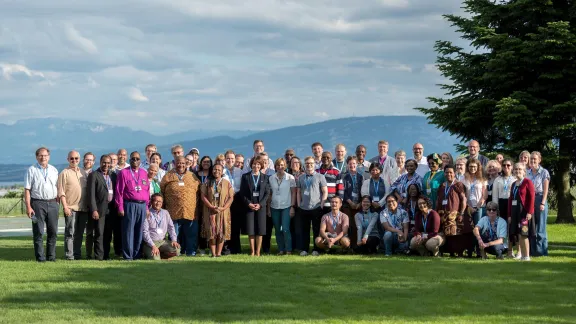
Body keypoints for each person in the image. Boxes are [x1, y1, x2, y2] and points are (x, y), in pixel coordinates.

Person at [160, 156, 201, 256]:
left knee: (191, 234)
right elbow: (161, 191)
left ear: (186, 164)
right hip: (172, 211)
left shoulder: (192, 176)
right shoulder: (168, 176)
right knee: (174, 234)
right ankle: (174, 252)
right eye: (179, 163)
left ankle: (191, 252)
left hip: (190, 211)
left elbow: (199, 191)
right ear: (175, 163)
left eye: (183, 163)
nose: (181, 165)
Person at [25, 147, 59, 262]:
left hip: (53, 203)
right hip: (38, 203)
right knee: (39, 232)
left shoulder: (54, 170)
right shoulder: (31, 170)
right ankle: (40, 258)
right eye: (41, 155)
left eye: (45, 155)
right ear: (36, 157)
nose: (43, 157)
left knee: (53, 232)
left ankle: (51, 257)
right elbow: (27, 190)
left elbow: (58, 187)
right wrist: (28, 206)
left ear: (49, 157)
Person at [115, 151, 150, 260]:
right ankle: (128, 255)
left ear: (140, 160)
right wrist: (120, 207)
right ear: (129, 160)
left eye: (137, 159)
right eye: (133, 159)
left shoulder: (144, 173)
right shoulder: (123, 173)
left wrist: (147, 208)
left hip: (142, 205)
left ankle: (137, 254)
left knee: (139, 231)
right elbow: (119, 192)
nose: (135, 161)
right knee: (128, 231)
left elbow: (147, 191)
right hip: (129, 205)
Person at [436, 164, 475, 257]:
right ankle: (450, 252)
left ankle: (459, 253)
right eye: (446, 172)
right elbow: (438, 200)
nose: (448, 174)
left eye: (450, 172)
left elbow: (463, 199)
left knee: (456, 234)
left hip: (455, 214)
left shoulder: (458, 184)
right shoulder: (442, 186)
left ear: (454, 173)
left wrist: (461, 213)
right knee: (447, 234)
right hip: (443, 214)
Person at [57, 150, 89, 260]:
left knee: (79, 234)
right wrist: (65, 207)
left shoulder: (83, 172)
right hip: (70, 208)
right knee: (70, 233)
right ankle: (69, 256)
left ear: (79, 160)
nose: (74, 160)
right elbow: (61, 192)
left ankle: (77, 254)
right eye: (72, 158)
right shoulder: (64, 173)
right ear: (68, 159)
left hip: (83, 208)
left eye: (76, 158)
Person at [295, 156, 328, 256]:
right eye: (307, 163)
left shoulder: (320, 177)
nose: (309, 165)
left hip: (316, 207)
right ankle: (304, 249)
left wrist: (322, 203)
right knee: (304, 230)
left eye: (311, 163)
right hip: (303, 208)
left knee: (316, 229)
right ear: (304, 165)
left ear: (314, 165)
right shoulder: (301, 177)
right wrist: (298, 204)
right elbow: (298, 192)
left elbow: (325, 191)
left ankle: (316, 249)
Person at [87, 155, 116, 261]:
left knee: (108, 233)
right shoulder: (94, 175)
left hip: (111, 209)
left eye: (108, 163)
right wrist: (94, 210)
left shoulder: (113, 175)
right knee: (99, 233)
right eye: (104, 162)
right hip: (99, 209)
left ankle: (106, 255)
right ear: (100, 162)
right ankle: (99, 256)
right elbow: (91, 194)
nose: (106, 165)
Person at [201, 164, 234, 257]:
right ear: (212, 170)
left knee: (221, 231)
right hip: (210, 210)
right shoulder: (207, 182)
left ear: (222, 171)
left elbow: (231, 197)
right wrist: (211, 206)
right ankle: (213, 253)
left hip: (223, 211)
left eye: (219, 170)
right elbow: (203, 196)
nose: (217, 171)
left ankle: (219, 253)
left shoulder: (226, 182)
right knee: (212, 231)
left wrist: (223, 208)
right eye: (215, 169)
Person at [240, 156, 270, 256]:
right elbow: (242, 193)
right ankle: (252, 251)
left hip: (260, 207)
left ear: (261, 165)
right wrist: (248, 203)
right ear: (251, 165)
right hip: (249, 206)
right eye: (254, 164)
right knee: (251, 230)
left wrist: (260, 204)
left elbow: (267, 193)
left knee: (260, 230)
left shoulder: (265, 177)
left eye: (258, 164)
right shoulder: (245, 176)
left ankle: (258, 252)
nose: (256, 166)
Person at [508, 162, 535, 261]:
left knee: (524, 233)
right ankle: (522, 255)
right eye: (516, 169)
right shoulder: (513, 184)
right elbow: (511, 199)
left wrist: (529, 212)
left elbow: (532, 198)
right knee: (519, 234)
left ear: (524, 172)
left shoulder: (528, 182)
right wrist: (509, 214)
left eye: (520, 169)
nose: (517, 171)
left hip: (524, 212)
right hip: (515, 212)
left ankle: (527, 256)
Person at [269, 158, 297, 255]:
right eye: (278, 165)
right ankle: (281, 249)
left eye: (281, 165)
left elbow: (293, 193)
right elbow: (270, 193)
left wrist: (292, 206)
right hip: (274, 207)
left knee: (285, 228)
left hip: (287, 206)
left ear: (285, 166)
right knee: (277, 230)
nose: (280, 167)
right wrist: (269, 208)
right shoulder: (271, 178)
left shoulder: (290, 178)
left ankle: (288, 249)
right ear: (275, 166)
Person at [142, 194, 181, 260]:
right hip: (150, 243)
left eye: (160, 201)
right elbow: (144, 232)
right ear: (151, 202)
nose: (158, 203)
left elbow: (171, 227)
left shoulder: (165, 213)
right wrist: (153, 246)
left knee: (177, 250)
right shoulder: (147, 213)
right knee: (155, 259)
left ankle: (161, 254)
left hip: (162, 241)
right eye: (156, 201)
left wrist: (174, 240)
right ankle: (146, 254)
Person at [527, 152, 549, 257]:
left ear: (539, 160)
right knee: (532, 227)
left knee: (541, 227)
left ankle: (542, 252)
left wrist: (543, 203)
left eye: (535, 159)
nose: (532, 161)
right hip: (530, 200)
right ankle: (532, 251)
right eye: (531, 159)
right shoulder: (527, 172)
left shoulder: (544, 172)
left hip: (540, 198)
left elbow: (546, 189)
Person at [492, 158, 515, 257]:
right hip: (501, 204)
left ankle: (511, 250)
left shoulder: (515, 178)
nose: (506, 167)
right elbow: (495, 195)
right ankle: (501, 249)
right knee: (502, 227)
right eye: (504, 165)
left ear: (512, 167)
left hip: (512, 204)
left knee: (512, 228)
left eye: (508, 165)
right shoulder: (498, 179)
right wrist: (495, 209)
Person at [223, 150, 244, 254]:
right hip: (226, 199)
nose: (230, 160)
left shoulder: (239, 171)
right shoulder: (222, 171)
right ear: (225, 159)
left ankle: (236, 248)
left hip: (237, 199)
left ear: (235, 159)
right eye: (228, 158)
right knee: (226, 224)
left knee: (236, 225)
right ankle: (226, 248)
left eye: (232, 158)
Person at [341, 156, 363, 247]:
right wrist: (350, 203)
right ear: (347, 164)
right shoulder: (344, 177)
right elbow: (343, 191)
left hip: (358, 205)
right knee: (348, 225)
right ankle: (346, 245)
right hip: (347, 205)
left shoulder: (360, 177)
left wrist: (359, 203)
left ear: (357, 164)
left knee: (357, 226)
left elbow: (363, 191)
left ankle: (355, 246)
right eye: (350, 163)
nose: (352, 165)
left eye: (354, 163)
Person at [462, 158, 488, 235]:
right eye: (470, 166)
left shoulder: (482, 179)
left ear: (478, 167)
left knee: (478, 229)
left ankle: (479, 245)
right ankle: (471, 246)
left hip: (479, 207)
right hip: (468, 207)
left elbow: (485, 195)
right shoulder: (463, 179)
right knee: (469, 229)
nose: (472, 168)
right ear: (467, 167)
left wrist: (477, 207)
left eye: (474, 166)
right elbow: (462, 194)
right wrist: (468, 206)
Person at [195, 155, 213, 255]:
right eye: (204, 162)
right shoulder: (196, 174)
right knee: (200, 225)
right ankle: (201, 247)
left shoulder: (213, 174)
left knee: (210, 225)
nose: (206, 163)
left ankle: (211, 247)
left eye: (208, 162)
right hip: (198, 203)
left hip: (210, 202)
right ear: (201, 163)